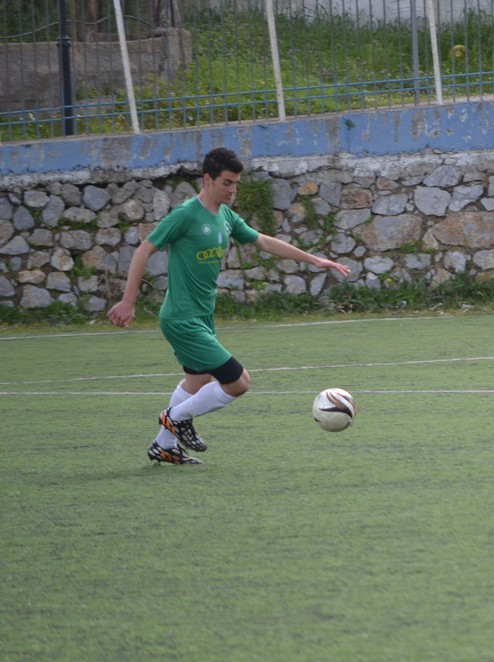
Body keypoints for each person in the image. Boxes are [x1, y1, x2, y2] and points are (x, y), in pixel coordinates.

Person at [107, 148, 350, 465]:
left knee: (197, 384)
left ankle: (164, 445)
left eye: (236, 183)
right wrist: (128, 301)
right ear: (207, 179)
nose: (233, 189)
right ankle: (175, 418)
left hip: (201, 317)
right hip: (182, 319)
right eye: (227, 182)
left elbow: (263, 241)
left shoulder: (225, 216)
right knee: (238, 382)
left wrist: (313, 259)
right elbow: (144, 250)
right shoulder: (185, 215)